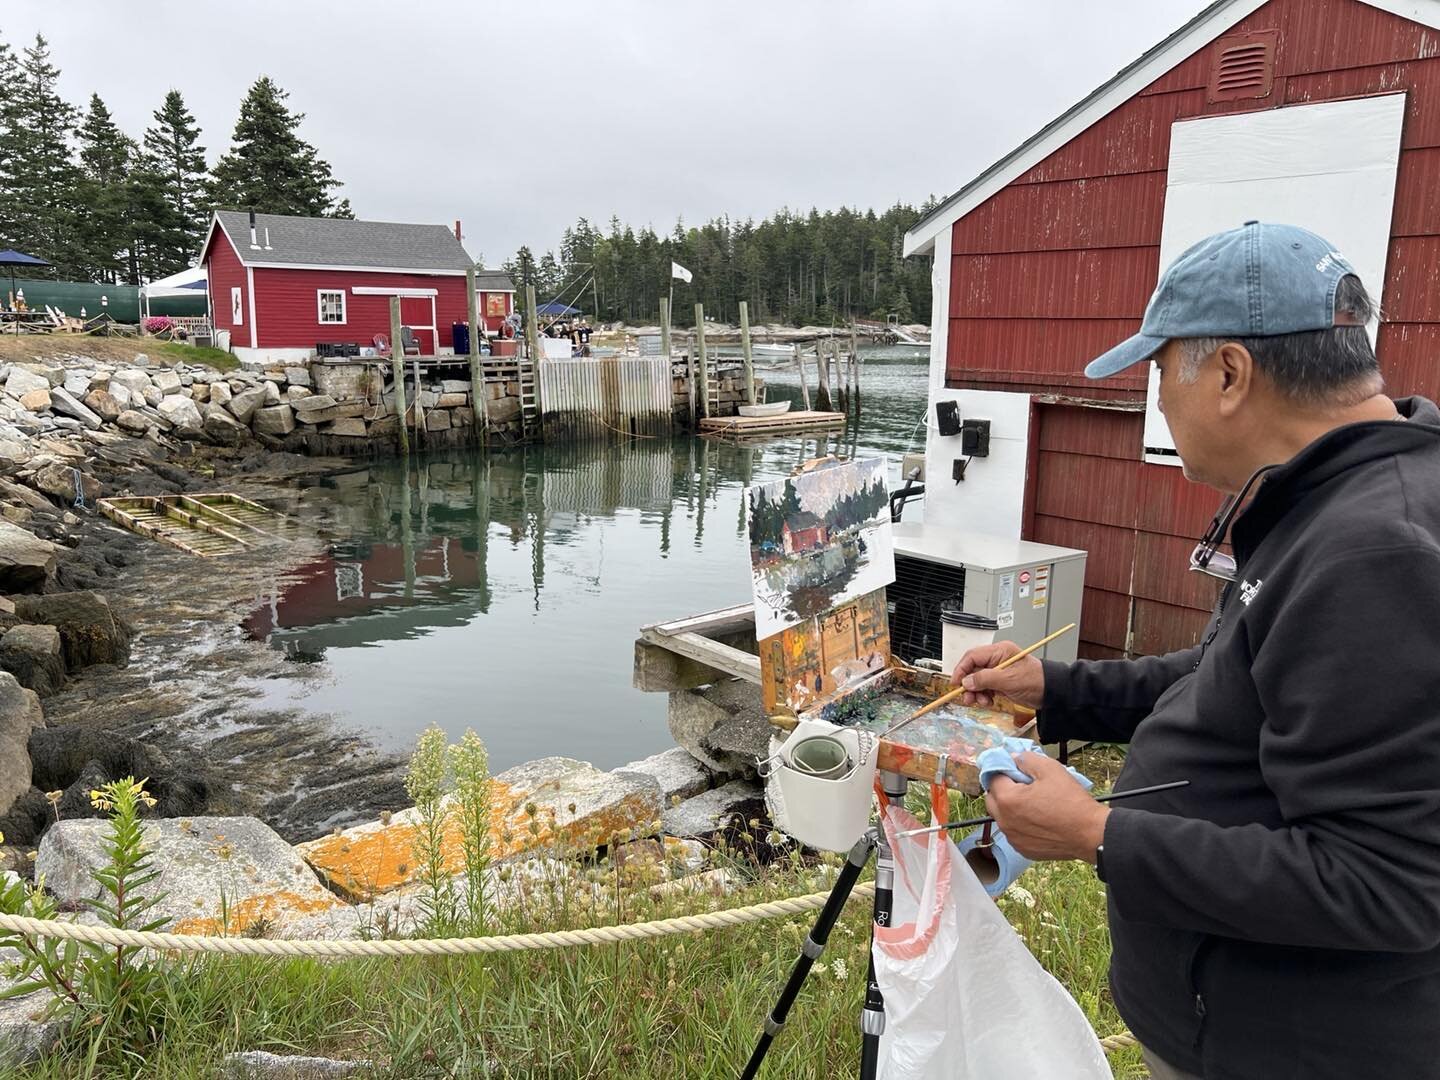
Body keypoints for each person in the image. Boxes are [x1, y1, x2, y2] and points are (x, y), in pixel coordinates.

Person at [952, 221, 1440, 1080]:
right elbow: (1236, 673)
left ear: (1227, 374)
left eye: (1157, 370)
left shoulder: (1376, 551)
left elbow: (1386, 885)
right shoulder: (1336, 495)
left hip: (1292, 1048)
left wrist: (1098, 835)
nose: (1157, 401)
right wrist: (1057, 687)